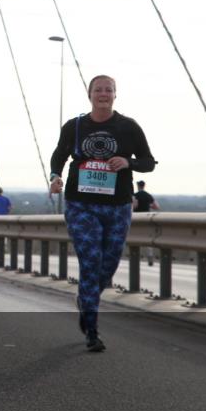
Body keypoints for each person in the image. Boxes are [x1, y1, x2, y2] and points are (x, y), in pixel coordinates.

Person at [49, 75, 156, 352]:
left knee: (107, 266)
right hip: (80, 204)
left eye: (108, 90)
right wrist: (55, 176)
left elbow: (148, 162)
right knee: (91, 260)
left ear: (115, 95)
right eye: (99, 89)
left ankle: (86, 298)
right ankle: (92, 330)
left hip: (117, 206)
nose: (103, 94)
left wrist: (127, 162)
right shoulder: (74, 126)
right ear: (90, 94)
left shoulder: (128, 127)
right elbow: (59, 154)